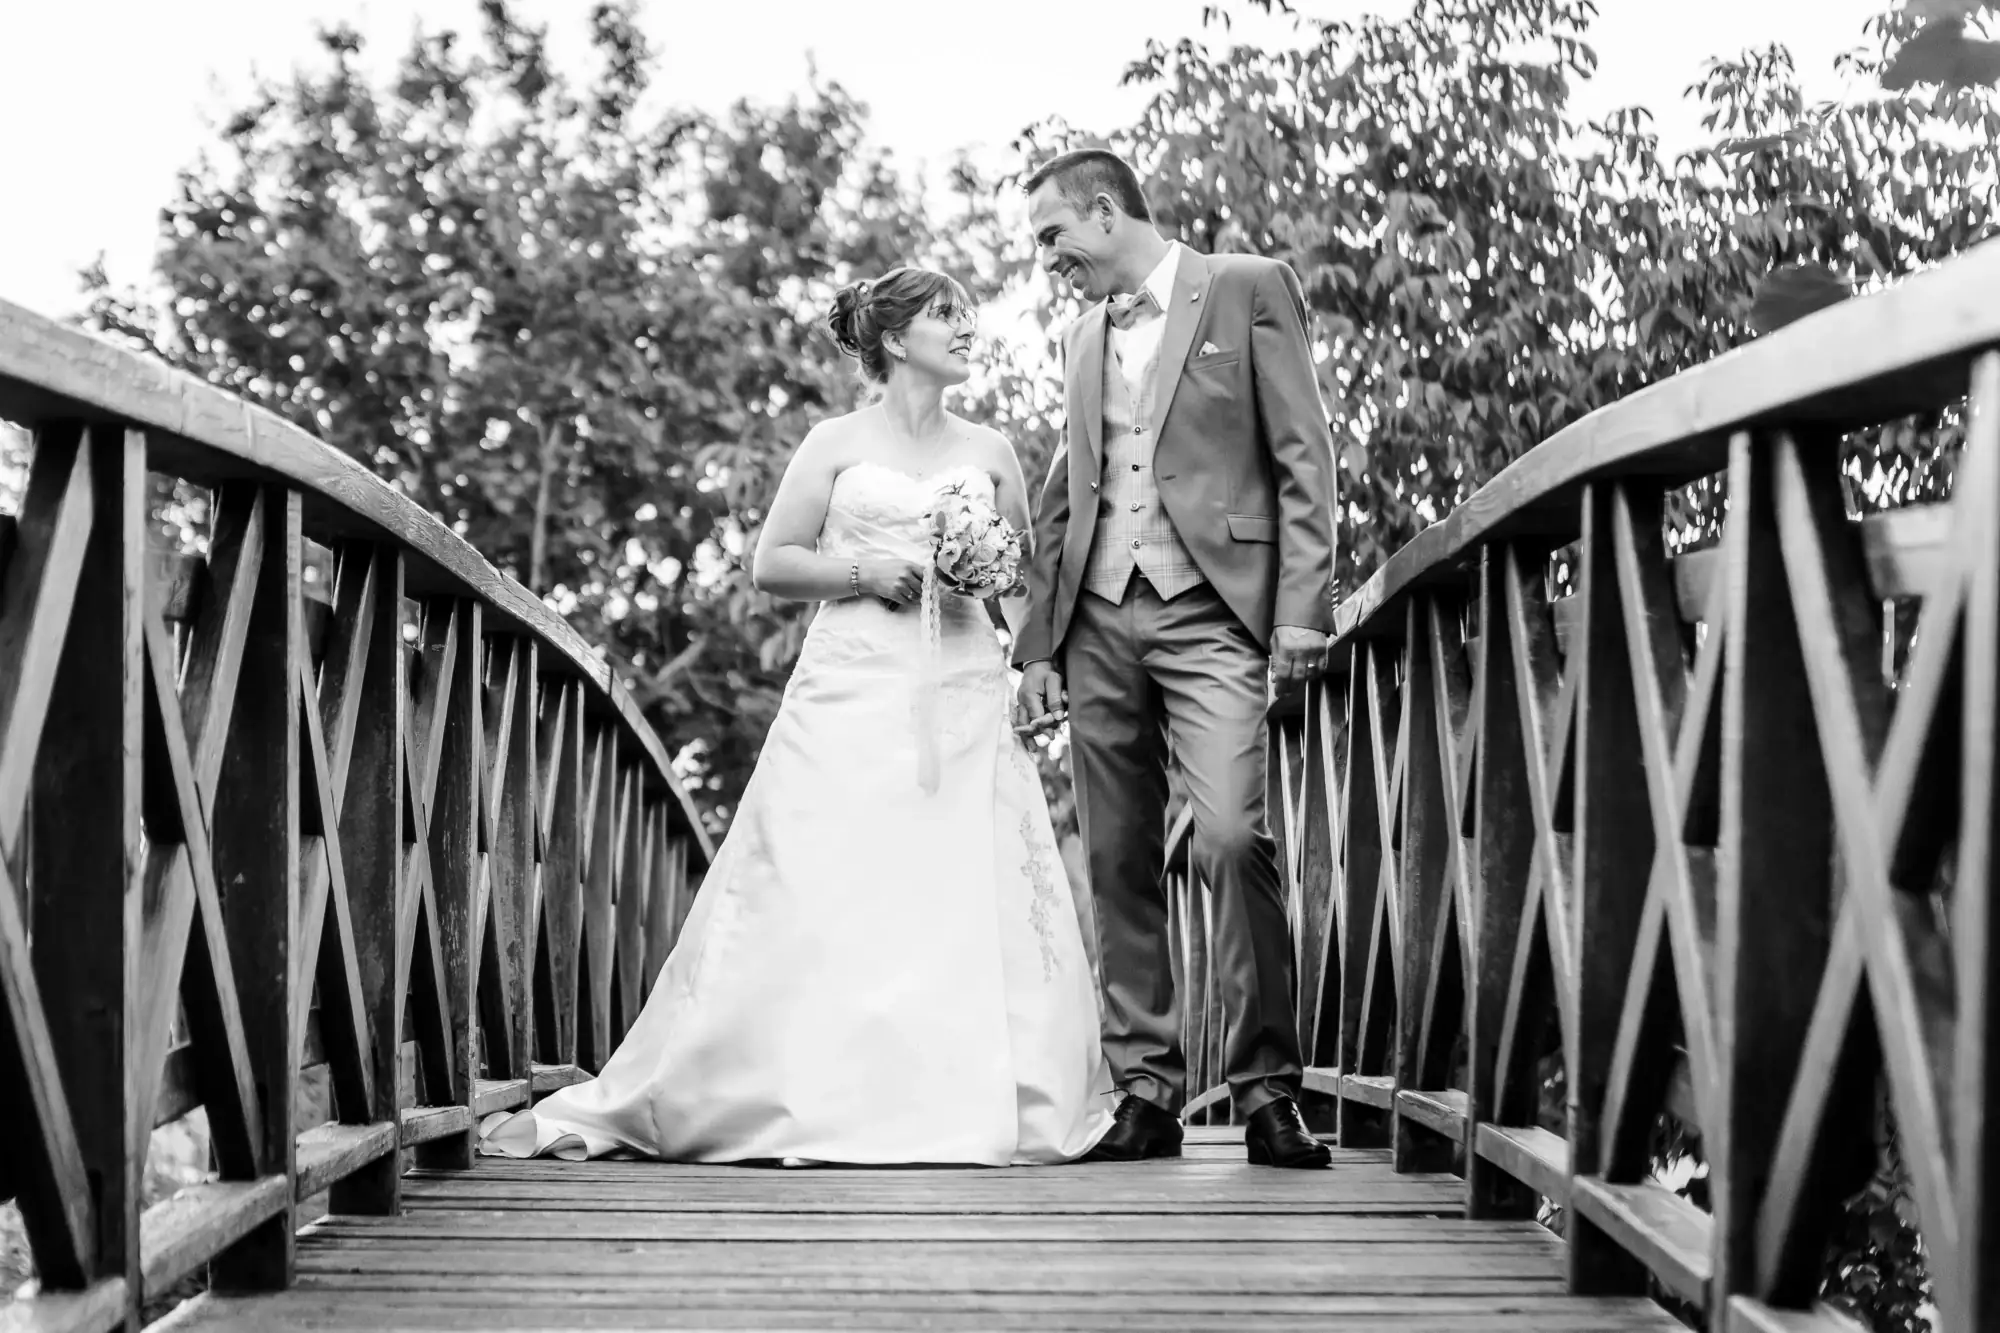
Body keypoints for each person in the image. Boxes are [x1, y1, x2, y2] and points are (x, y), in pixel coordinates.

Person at [479, 267, 1113, 1167]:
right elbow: (772, 562)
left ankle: (968, 1090)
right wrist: (862, 574)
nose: (967, 329)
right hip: (853, 681)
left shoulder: (995, 451)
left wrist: (1024, 640)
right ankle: (812, 1084)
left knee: (958, 881)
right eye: (946, 316)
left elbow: (1022, 578)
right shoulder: (833, 441)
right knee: (830, 871)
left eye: (969, 316)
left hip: (964, 687)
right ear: (895, 341)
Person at [1012, 149, 1338, 1169]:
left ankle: (1265, 1090)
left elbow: (1302, 454)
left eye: (1052, 237)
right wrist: (1038, 645)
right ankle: (1145, 1089)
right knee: (1113, 857)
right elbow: (1069, 491)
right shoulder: (1077, 338)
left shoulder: (1244, 288)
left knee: (1232, 836)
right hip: (1099, 622)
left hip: (1214, 615)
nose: (1048, 261)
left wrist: (1301, 612)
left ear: (1103, 215)